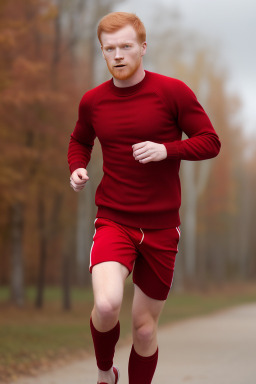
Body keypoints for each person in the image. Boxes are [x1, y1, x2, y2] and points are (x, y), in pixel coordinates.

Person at [68, 11, 221, 384]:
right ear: (102, 52)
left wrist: (167, 150)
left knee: (145, 330)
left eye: (126, 46)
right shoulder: (93, 101)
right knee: (105, 305)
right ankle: (106, 374)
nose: (118, 55)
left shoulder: (173, 92)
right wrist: (77, 167)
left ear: (142, 48)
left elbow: (210, 141)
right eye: (109, 49)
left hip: (161, 228)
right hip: (114, 219)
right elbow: (80, 140)